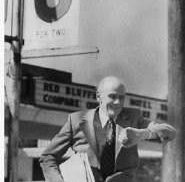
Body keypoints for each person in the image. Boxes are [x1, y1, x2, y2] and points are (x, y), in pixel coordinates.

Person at [40, 76, 176, 182]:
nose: (117, 102)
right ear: (99, 96)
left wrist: (143, 134)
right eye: (112, 96)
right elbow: (48, 156)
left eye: (121, 98)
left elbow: (170, 132)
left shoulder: (133, 117)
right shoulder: (76, 120)